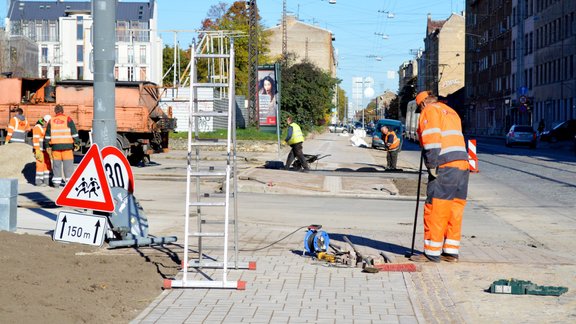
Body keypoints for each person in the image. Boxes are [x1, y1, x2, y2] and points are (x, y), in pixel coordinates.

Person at [410, 91, 469, 263]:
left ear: (422, 105)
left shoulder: (430, 111)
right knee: (454, 209)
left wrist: (431, 164)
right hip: (462, 165)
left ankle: (431, 252)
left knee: (436, 207)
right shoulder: (451, 111)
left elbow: (432, 140)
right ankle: (450, 251)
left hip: (445, 165)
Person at [45, 105, 80, 188]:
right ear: (63, 111)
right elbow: (74, 132)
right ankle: (69, 184)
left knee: (57, 166)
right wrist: (77, 143)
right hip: (67, 147)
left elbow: (47, 136)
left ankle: (56, 183)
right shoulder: (68, 119)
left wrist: (47, 146)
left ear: (55, 111)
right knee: (68, 166)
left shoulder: (51, 121)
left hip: (55, 147)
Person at [32, 115, 52, 187]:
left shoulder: (46, 127)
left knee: (47, 164)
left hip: (45, 149)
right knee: (40, 165)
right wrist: (37, 150)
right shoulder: (37, 127)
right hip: (39, 150)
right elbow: (35, 140)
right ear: (44, 121)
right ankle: (39, 182)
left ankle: (47, 181)